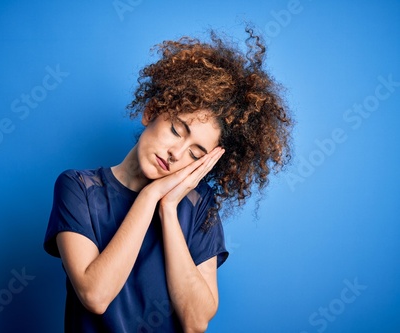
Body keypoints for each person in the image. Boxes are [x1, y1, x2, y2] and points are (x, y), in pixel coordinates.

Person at [44, 28, 292, 333]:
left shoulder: (199, 207)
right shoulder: (78, 187)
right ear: (151, 112)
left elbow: (195, 321)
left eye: (195, 152)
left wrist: (168, 209)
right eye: (177, 130)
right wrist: (149, 197)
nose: (176, 153)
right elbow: (95, 295)